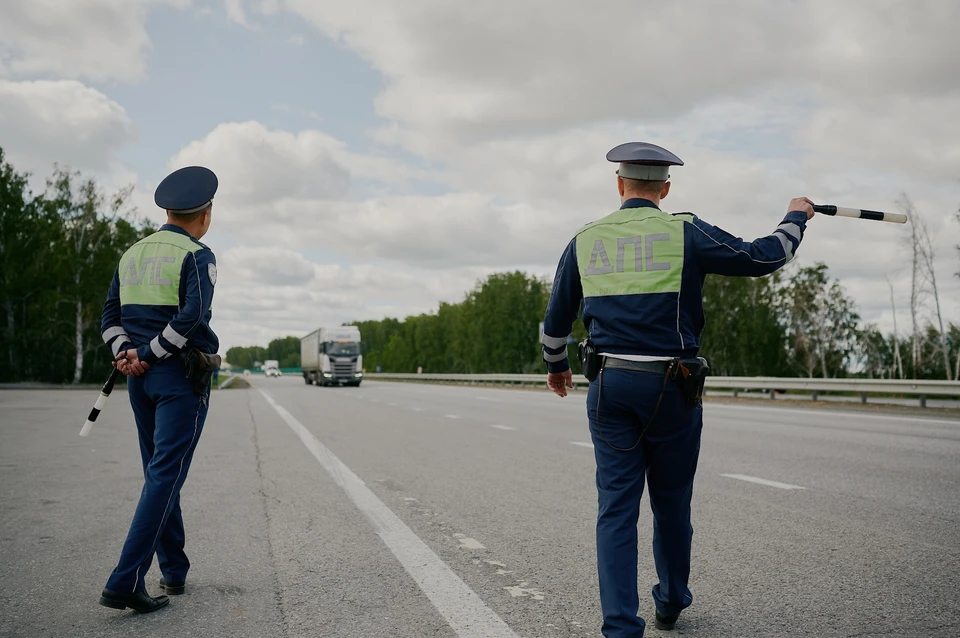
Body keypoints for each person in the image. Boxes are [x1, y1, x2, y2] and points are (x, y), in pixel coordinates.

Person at [540, 142, 814, 637]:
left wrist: (556, 366)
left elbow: (554, 323)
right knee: (671, 501)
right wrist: (796, 216)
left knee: (616, 509)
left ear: (619, 185)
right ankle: (669, 600)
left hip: (610, 385)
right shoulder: (684, 230)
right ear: (665, 189)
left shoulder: (585, 239)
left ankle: (621, 627)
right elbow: (764, 256)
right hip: (673, 385)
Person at [97, 166, 221, 613]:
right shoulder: (197, 254)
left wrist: (128, 352)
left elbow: (109, 317)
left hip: (139, 383)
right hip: (179, 380)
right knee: (166, 476)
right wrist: (149, 352)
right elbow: (193, 317)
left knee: (160, 475)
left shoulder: (132, 253)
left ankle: (174, 570)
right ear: (204, 215)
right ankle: (125, 579)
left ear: (168, 210)